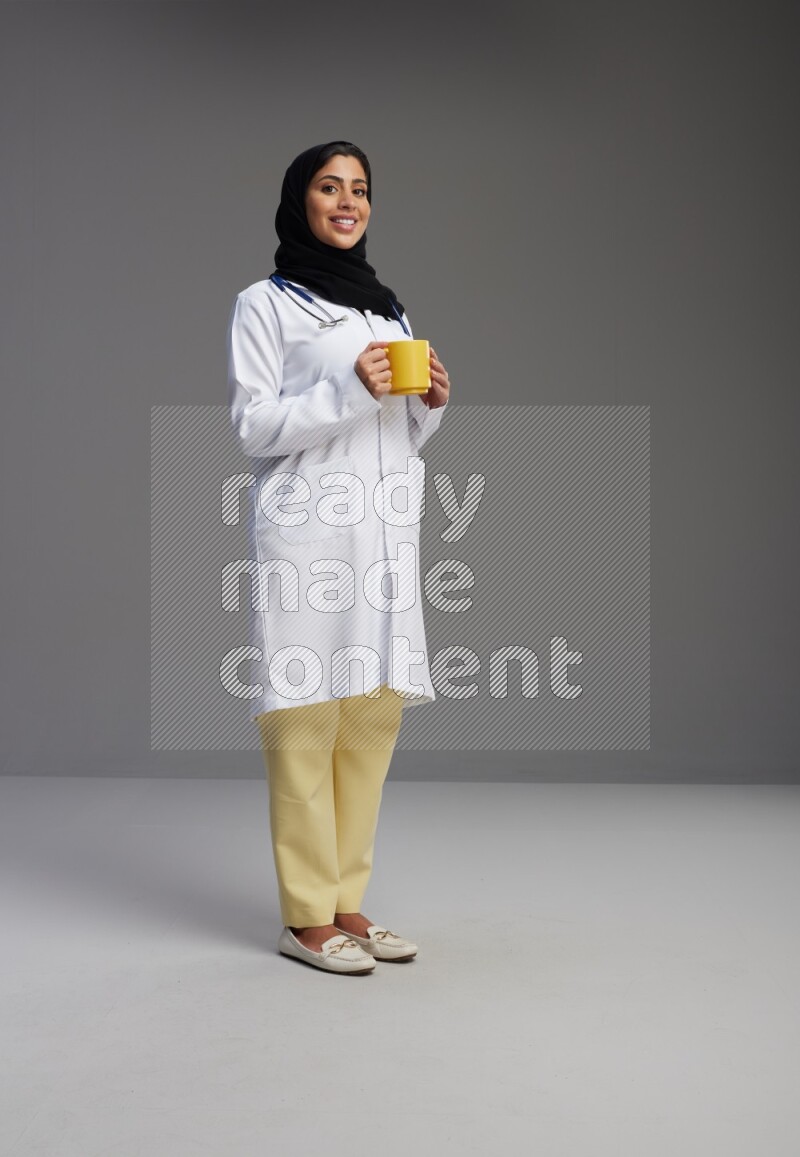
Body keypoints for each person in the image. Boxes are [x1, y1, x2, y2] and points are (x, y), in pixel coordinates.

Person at [226, 140, 450, 975]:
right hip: (310, 536)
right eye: (330, 187)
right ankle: (304, 916)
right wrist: (350, 386)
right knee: (304, 715)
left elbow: (391, 432)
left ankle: (348, 902)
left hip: (383, 534)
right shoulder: (265, 304)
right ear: (301, 200)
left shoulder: (386, 309)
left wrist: (426, 407)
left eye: (359, 189)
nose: (347, 201)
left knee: (370, 717)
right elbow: (253, 426)